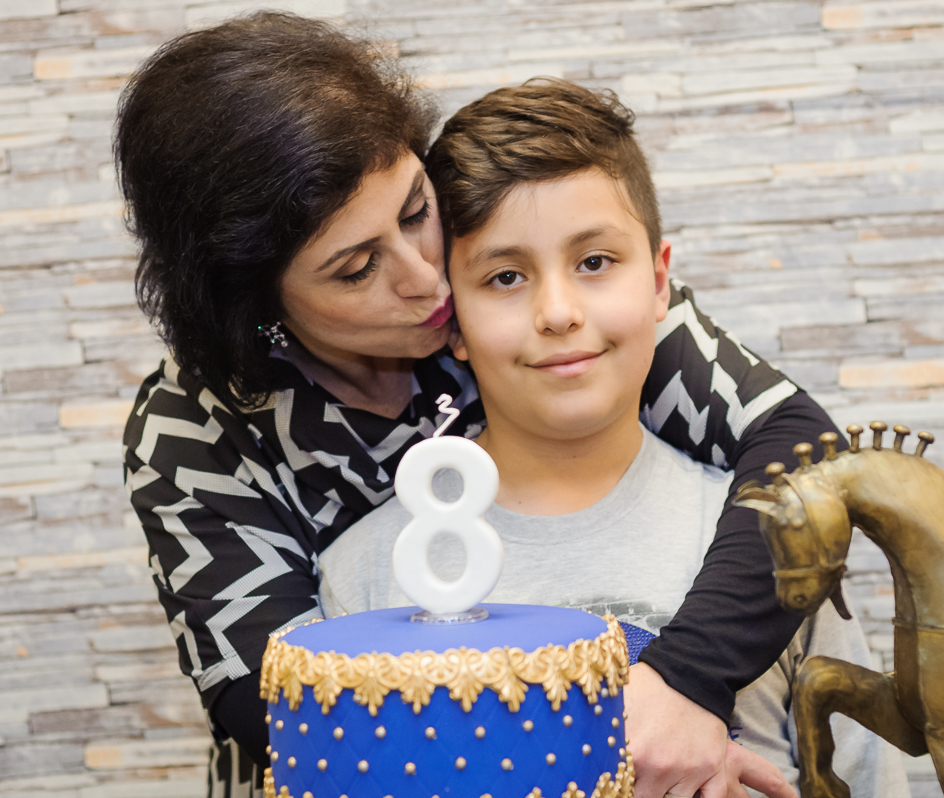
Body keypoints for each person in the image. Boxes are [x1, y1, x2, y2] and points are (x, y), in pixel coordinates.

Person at [116, 12, 844, 798]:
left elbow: (804, 449)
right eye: (357, 268)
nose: (428, 280)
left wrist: (682, 684)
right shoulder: (191, 432)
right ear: (259, 302)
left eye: (413, 212)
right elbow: (294, 716)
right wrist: (620, 750)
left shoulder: (535, 305)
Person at [317, 78, 908, 798]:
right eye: (505, 277)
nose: (559, 312)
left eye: (595, 262)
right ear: (454, 322)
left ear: (660, 282)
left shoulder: (773, 542)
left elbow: (867, 777)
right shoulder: (366, 577)